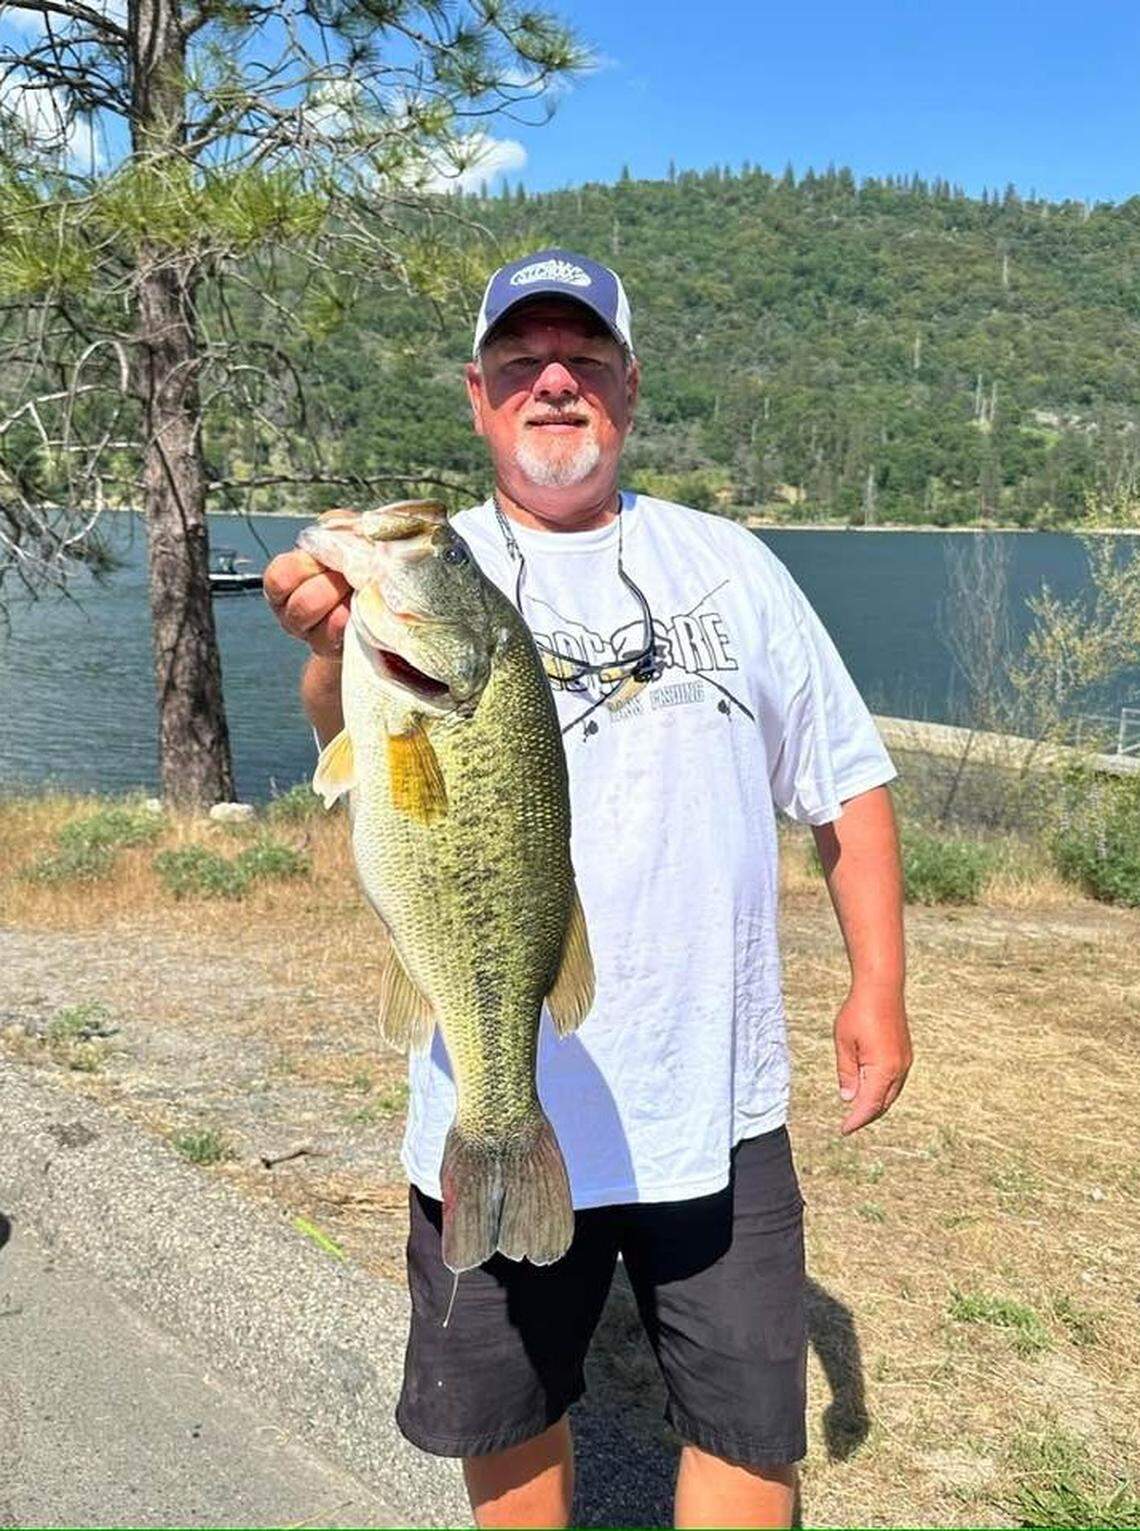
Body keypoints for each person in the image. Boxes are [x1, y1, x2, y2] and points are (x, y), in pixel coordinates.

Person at [264, 248, 912, 1530]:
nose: (552, 382)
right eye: (520, 363)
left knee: (745, 1426)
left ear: (626, 388)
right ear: (477, 394)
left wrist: (880, 984)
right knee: (507, 1414)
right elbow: (354, 744)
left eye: (583, 361)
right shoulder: (424, 588)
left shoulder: (733, 565)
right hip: (491, 1088)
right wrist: (337, 651)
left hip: (712, 1101)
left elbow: (848, 780)